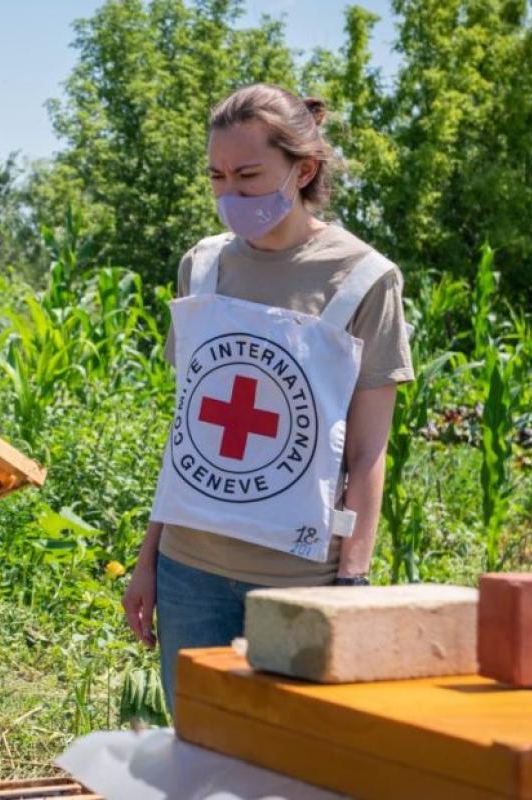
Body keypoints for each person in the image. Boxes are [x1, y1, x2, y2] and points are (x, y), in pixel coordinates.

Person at [121, 84, 414, 712]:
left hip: (299, 582)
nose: (230, 194)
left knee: (290, 754)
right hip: (188, 571)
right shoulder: (202, 267)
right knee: (198, 750)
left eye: (248, 176)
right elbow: (188, 430)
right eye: (217, 177)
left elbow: (368, 452)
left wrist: (353, 581)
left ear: (302, 170)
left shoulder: (365, 280)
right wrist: (148, 559)